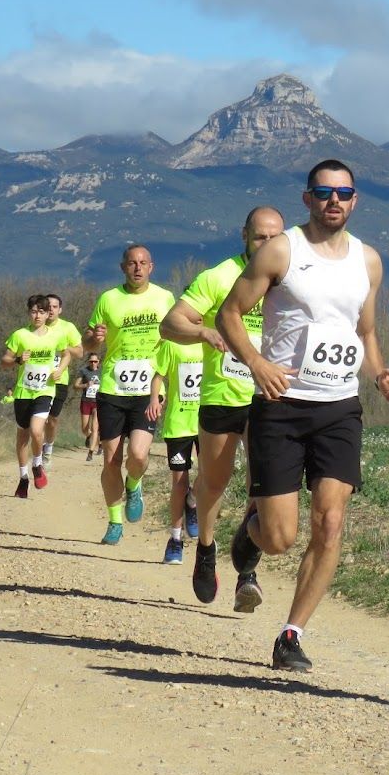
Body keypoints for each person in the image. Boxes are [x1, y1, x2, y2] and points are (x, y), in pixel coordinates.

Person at [217, 161, 389, 671]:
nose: (334, 201)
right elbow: (229, 314)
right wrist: (257, 363)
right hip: (280, 408)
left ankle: (291, 634)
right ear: (308, 199)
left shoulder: (368, 261)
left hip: (339, 407)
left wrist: (382, 375)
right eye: (324, 192)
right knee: (279, 538)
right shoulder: (282, 250)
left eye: (344, 192)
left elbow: (364, 331)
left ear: (355, 199)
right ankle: (253, 531)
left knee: (331, 521)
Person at [160, 206, 285, 612]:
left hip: (266, 399)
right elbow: (169, 324)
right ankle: (207, 549)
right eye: (260, 237)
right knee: (214, 482)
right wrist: (203, 330)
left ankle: (247, 572)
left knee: (261, 486)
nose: (267, 244)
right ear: (244, 235)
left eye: (275, 237)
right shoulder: (217, 277)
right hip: (220, 398)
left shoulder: (289, 280)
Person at [83, 244, 175, 545]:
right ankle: (114, 520)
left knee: (138, 454)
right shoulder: (108, 299)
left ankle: (134, 484)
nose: (137, 268)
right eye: (132, 263)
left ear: (151, 267)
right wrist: (93, 338)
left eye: (143, 263)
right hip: (113, 387)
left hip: (149, 389)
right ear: (123, 267)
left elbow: (175, 336)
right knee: (111, 458)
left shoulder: (165, 298)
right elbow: (90, 346)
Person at [1, 294, 70, 498]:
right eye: (33, 311)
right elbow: (4, 360)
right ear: (28, 312)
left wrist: (60, 370)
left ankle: (37, 464)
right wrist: (17, 360)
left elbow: (66, 353)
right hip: (23, 391)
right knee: (22, 435)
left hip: (45, 390)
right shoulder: (20, 335)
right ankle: (23, 478)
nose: (37, 315)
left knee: (36, 430)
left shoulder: (56, 335)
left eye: (41, 311)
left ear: (48, 313)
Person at [148, 338, 203, 564]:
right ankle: (175, 540)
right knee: (179, 483)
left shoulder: (214, 338)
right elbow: (158, 376)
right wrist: (154, 399)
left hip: (207, 421)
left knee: (212, 476)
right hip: (179, 422)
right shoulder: (171, 344)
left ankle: (192, 500)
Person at [41, 293, 84, 466]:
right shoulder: (36, 326)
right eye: (48, 306)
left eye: (54, 306)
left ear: (60, 309)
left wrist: (60, 346)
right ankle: (37, 452)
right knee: (38, 418)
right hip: (39, 381)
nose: (51, 309)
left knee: (52, 419)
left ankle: (48, 449)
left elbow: (80, 352)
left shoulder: (68, 327)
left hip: (59, 380)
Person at [73, 355, 102, 461]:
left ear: (98, 362)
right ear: (88, 362)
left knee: (95, 427)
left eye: (95, 361)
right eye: (91, 361)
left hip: (98, 403)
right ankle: (89, 436)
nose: (93, 363)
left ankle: (90, 452)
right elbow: (75, 385)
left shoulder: (102, 372)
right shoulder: (83, 371)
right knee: (84, 428)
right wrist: (85, 385)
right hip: (86, 401)